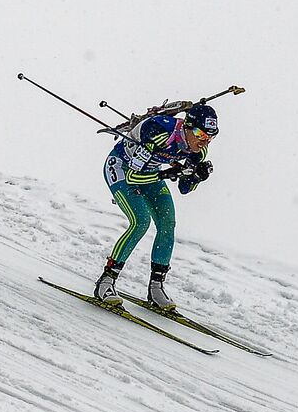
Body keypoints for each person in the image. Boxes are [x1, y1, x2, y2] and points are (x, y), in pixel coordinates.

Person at [93, 103, 219, 309]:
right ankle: (105, 282)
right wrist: (167, 173)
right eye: (200, 134)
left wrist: (197, 176)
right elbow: (134, 176)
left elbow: (185, 188)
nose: (203, 141)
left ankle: (156, 288)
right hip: (122, 169)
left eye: (210, 137)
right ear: (187, 126)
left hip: (151, 174)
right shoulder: (159, 131)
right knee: (140, 222)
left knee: (167, 224)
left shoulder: (199, 150)